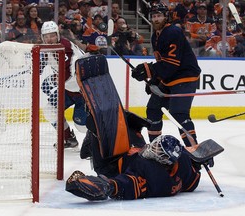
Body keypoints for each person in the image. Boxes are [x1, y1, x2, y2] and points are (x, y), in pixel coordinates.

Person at [131, 2, 201, 148]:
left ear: (166, 17)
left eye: (159, 16)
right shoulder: (155, 36)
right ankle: (156, 148)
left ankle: (193, 149)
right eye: (154, 16)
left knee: (179, 113)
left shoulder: (173, 32)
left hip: (184, 77)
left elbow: (171, 64)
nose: (156, 19)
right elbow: (163, 63)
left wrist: (148, 70)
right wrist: (155, 80)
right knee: (153, 109)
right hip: (170, 78)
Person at [66, 134, 201, 200]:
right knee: (132, 129)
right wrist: (198, 161)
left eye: (158, 151)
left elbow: (130, 184)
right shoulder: (182, 163)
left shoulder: (157, 179)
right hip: (133, 152)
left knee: (97, 130)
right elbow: (192, 182)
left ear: (165, 160)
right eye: (155, 145)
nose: (153, 148)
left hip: (113, 164)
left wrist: (110, 186)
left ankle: (90, 146)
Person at [40, 20, 88, 148]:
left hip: (82, 91)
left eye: (52, 35)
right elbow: (39, 68)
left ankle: (95, 141)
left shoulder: (65, 47)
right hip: (67, 90)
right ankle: (68, 138)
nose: (49, 39)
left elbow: (68, 73)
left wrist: (52, 80)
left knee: (81, 125)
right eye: (46, 36)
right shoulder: (47, 49)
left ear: (57, 35)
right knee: (50, 110)